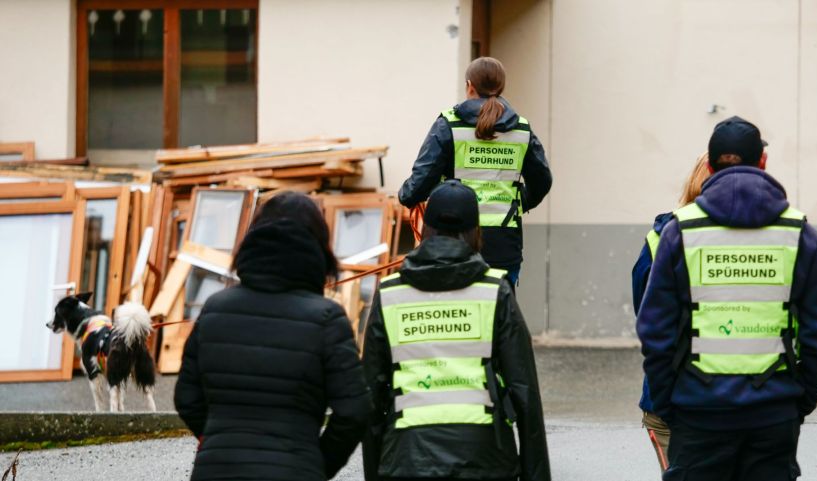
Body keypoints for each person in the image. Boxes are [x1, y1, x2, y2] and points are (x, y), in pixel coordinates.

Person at [636, 116, 817, 480]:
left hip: (697, 411)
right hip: (773, 413)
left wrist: (672, 404)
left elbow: (655, 332)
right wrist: (797, 402)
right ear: (762, 161)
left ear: (711, 165)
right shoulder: (799, 233)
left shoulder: (679, 232)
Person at [362, 179, 551, 481]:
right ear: (477, 230)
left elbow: (370, 399)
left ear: (426, 227)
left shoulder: (390, 294)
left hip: (407, 459)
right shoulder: (496, 292)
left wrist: (377, 471)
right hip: (485, 459)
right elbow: (525, 396)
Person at [174, 192, 371, 481]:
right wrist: (316, 464)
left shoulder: (215, 309)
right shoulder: (327, 319)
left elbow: (186, 397)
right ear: (319, 248)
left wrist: (220, 442)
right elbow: (355, 411)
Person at [398, 57, 552, 284]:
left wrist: (405, 194)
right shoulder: (521, 129)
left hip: (452, 245)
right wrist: (518, 204)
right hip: (504, 246)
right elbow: (542, 181)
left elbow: (419, 185)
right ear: (501, 87)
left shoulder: (448, 125)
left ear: (470, 86)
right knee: (498, 313)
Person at [633, 152, 711, 473]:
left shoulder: (662, 235)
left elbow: (647, 318)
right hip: (745, 399)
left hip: (671, 398)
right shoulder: (769, 240)